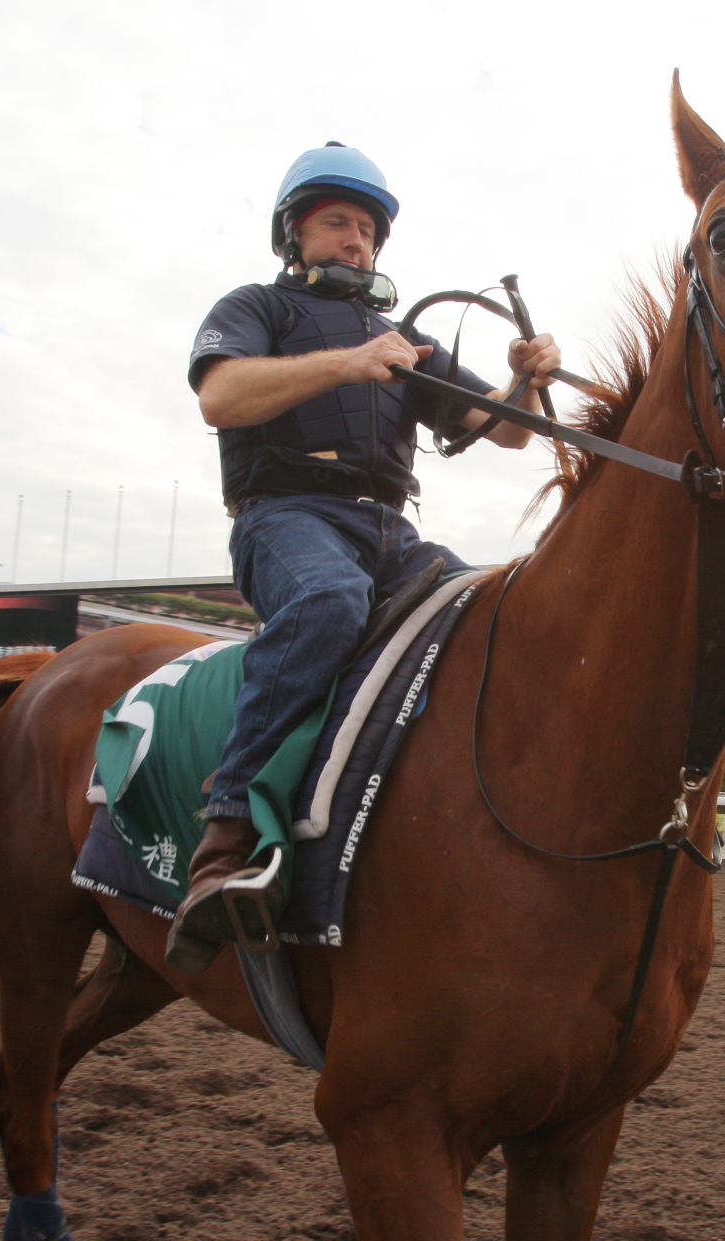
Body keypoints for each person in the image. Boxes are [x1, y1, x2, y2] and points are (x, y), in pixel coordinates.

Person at [166, 142, 559, 973]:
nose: (356, 241)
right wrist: (349, 363)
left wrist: (524, 382)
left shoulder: (403, 338)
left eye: (367, 230)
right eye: (337, 223)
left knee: (496, 610)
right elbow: (219, 397)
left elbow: (513, 431)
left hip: (391, 531)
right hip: (285, 517)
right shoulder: (254, 308)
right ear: (294, 235)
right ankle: (225, 841)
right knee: (328, 603)